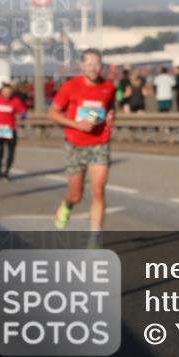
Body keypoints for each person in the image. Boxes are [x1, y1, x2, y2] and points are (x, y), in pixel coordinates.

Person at [47, 49, 116, 249]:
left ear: (102, 66)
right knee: (76, 194)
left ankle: (94, 241)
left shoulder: (108, 87)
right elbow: (52, 113)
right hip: (75, 144)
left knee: (98, 191)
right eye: (89, 64)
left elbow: (110, 108)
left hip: (99, 143)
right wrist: (77, 125)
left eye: (97, 65)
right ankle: (67, 204)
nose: (93, 69)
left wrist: (110, 116)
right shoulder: (71, 87)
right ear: (82, 66)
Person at [0, 83, 27, 180]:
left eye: (9, 93)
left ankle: (6, 172)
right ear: (1, 92)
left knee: (11, 151)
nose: (7, 94)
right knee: (0, 150)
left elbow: (22, 110)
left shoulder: (15, 101)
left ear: (11, 93)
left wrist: (22, 115)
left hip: (10, 129)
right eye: (5, 92)